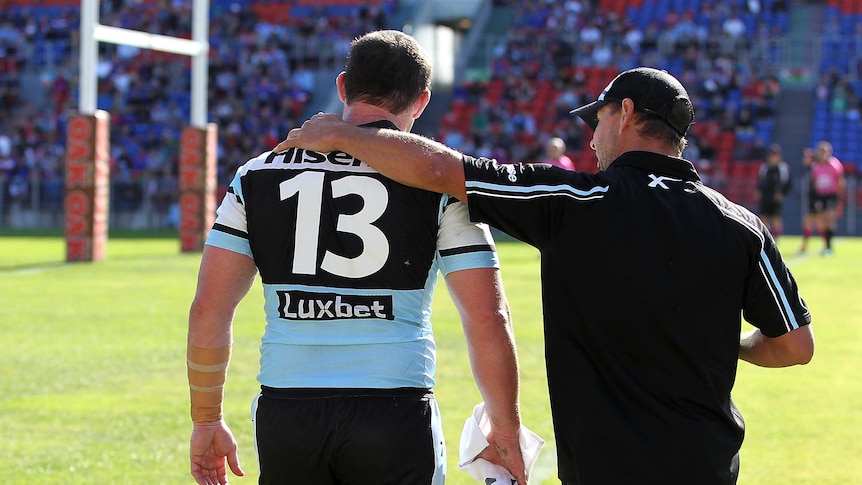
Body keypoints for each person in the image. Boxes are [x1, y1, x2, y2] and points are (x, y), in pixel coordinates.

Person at [274, 67, 815, 485]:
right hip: (706, 467)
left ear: (624, 113)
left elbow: (441, 169)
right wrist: (737, 344)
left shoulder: (572, 201)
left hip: (601, 470)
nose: (591, 138)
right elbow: (796, 346)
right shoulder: (739, 225)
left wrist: (342, 135)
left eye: (597, 120)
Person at [187, 30, 527, 485]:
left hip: (288, 407)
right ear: (421, 101)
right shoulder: (439, 181)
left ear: (343, 86)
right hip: (394, 405)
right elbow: (489, 317)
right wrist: (505, 430)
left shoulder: (257, 174)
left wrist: (207, 418)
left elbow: (211, 307)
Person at [798, 140, 846, 256]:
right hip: (820, 196)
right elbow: (814, 182)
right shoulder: (816, 167)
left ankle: (829, 246)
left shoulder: (834, 164)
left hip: (831, 195)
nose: (822, 153)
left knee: (829, 218)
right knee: (821, 221)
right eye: (820, 151)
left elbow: (840, 182)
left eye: (824, 151)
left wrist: (839, 198)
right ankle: (826, 246)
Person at [756, 143, 792, 239]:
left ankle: (776, 239)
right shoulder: (764, 168)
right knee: (764, 218)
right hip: (765, 197)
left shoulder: (783, 169)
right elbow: (760, 181)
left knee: (776, 218)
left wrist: (782, 193)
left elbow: (788, 184)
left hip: (776, 198)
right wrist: (758, 191)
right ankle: (766, 238)